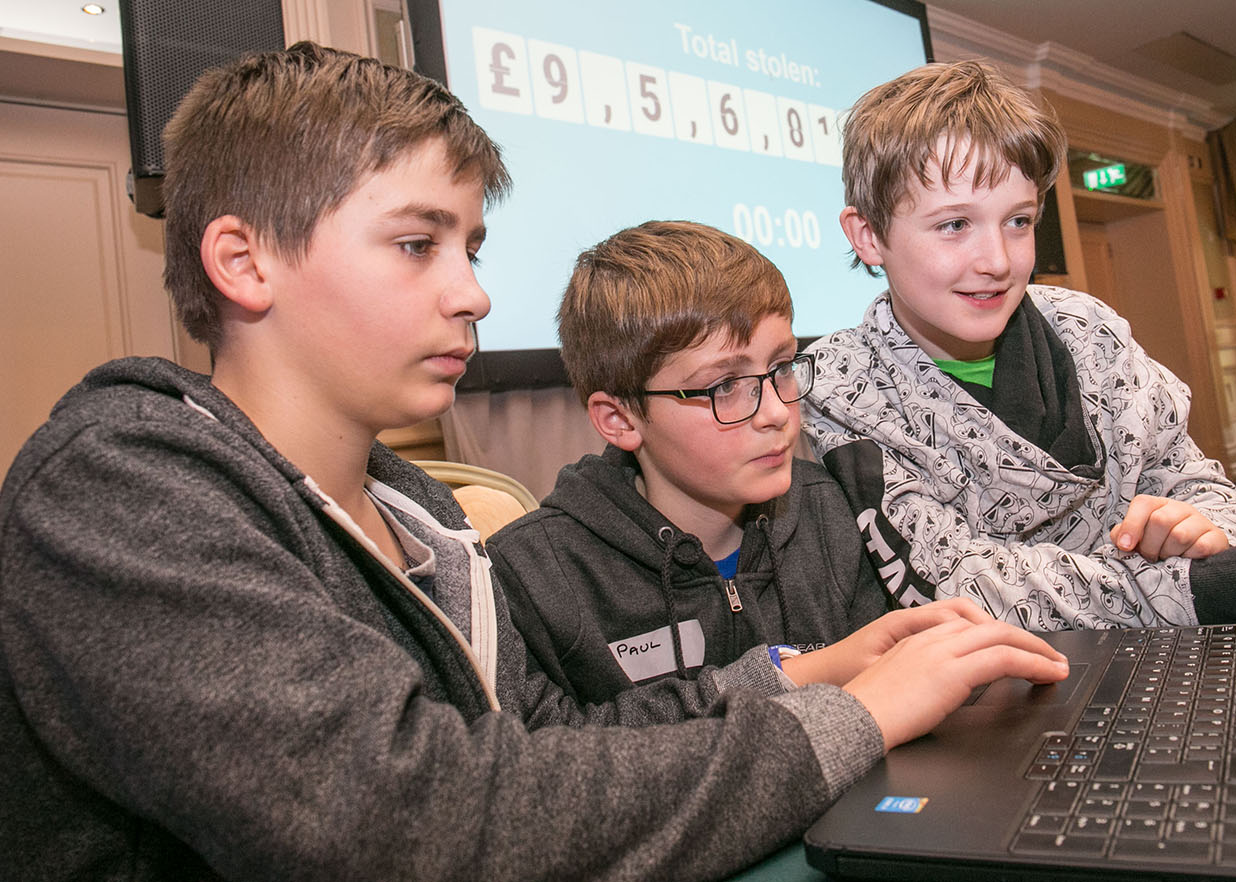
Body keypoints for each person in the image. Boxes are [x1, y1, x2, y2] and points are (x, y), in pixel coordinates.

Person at [0, 44, 1071, 881]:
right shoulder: (122, 486)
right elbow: (410, 821)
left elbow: (555, 751)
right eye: (417, 244)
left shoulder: (416, 514)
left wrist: (808, 672)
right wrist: (863, 715)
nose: (472, 293)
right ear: (243, 261)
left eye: (470, 248)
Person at [800, 59, 1236, 631]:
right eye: (955, 225)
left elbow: (1201, 483)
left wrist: (1204, 530)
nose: (998, 262)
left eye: (1018, 221)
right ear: (868, 236)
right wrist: (1209, 586)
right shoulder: (834, 390)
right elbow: (960, 590)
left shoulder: (1086, 328)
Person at [489, 220, 898, 704]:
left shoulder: (833, 511)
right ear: (620, 420)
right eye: (723, 386)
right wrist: (793, 676)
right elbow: (555, 741)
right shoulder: (534, 575)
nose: (775, 413)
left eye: (782, 368)